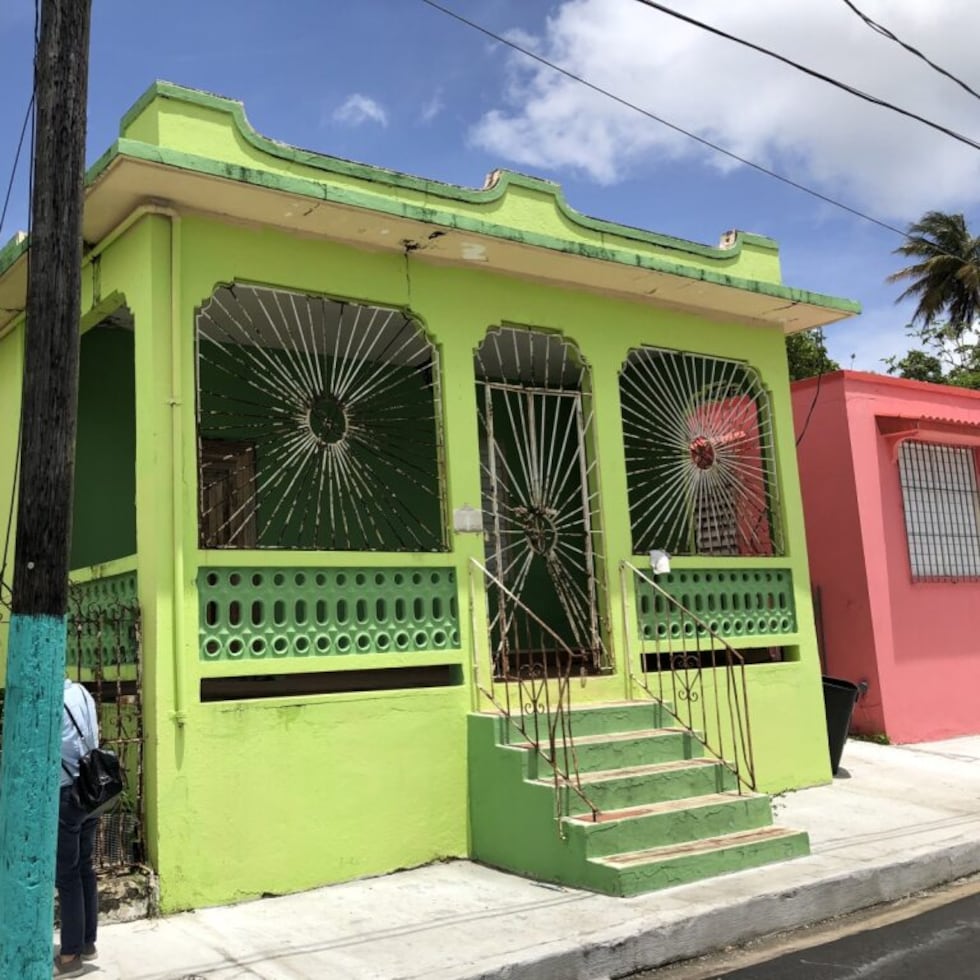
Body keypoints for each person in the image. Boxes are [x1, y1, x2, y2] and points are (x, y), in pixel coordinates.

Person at [54, 679, 100, 978]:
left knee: (67, 875)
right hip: (92, 787)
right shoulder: (82, 692)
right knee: (84, 867)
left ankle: (70, 956)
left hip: (67, 792)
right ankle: (87, 943)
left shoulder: (49, 703)